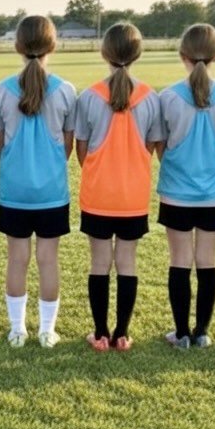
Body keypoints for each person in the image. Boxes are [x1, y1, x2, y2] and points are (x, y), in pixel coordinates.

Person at [76, 22, 163, 351]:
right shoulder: (150, 98)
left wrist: (99, 169)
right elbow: (153, 147)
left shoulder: (89, 96)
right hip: (133, 196)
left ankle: (99, 334)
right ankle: (122, 334)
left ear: (105, 53)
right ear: (138, 54)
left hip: (98, 193)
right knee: (127, 262)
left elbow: (81, 149)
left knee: (99, 263)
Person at [0, 15, 76, 348]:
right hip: (52, 193)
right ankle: (46, 331)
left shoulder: (1, 91)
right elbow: (67, 147)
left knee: (17, 259)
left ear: (17, 46)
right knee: (48, 260)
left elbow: (0, 145)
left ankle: (17, 330)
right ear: (52, 45)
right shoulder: (66, 90)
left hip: (14, 191)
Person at [156, 24, 215, 349]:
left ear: (183, 56)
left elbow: (161, 145)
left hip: (176, 193)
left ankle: (181, 334)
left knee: (179, 260)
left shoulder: (168, 97)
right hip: (214, 195)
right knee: (207, 260)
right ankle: (201, 332)